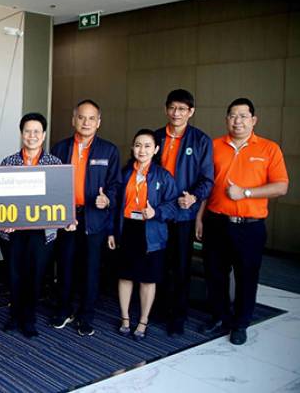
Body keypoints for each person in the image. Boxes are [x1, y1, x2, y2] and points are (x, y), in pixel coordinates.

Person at [197, 98, 288, 345]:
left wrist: (245, 192)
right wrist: (199, 218)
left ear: (253, 120)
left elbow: (281, 187)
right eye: (232, 116)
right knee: (215, 274)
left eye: (243, 116)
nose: (237, 121)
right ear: (226, 119)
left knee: (246, 276)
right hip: (216, 222)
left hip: (250, 226)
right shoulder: (213, 146)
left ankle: (240, 323)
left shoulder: (269, 148)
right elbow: (206, 185)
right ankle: (219, 316)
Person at [50, 99, 121, 336]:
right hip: (67, 219)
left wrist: (107, 200)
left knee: (90, 270)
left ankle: (86, 316)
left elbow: (115, 185)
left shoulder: (109, 150)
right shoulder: (60, 149)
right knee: (65, 266)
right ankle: (64, 310)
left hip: (94, 219)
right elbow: (50, 183)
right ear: (73, 120)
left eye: (91, 118)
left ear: (99, 122)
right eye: (81, 117)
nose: (86, 122)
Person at [0, 113, 69, 338]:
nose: (32, 135)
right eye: (27, 131)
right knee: (14, 274)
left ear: (44, 135)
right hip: (14, 231)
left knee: (36, 275)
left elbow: (60, 197)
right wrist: (4, 221)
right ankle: (14, 316)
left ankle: (29, 319)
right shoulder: (8, 162)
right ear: (21, 134)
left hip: (42, 231)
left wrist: (66, 218)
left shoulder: (54, 164)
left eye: (37, 131)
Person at [154, 89, 214, 336]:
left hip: (183, 214)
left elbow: (207, 180)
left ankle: (178, 316)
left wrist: (194, 197)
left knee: (180, 266)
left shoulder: (200, 140)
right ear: (166, 109)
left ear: (191, 112)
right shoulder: (156, 137)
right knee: (158, 263)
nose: (176, 113)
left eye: (182, 109)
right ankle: (158, 309)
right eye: (172, 108)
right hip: (157, 213)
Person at [108, 129, 177, 341]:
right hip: (127, 229)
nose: (142, 150)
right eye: (138, 145)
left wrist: (157, 212)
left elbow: (173, 206)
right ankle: (125, 318)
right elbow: (115, 206)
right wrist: (111, 232)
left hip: (151, 232)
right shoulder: (124, 173)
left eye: (147, 146)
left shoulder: (163, 176)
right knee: (125, 276)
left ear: (156, 149)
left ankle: (143, 321)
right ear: (132, 148)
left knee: (148, 279)